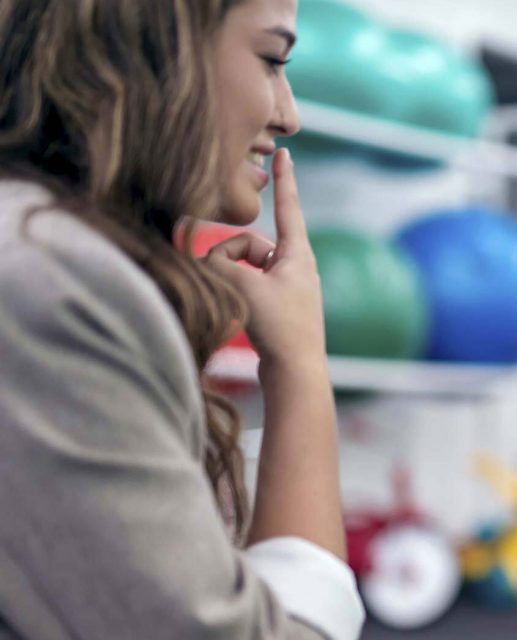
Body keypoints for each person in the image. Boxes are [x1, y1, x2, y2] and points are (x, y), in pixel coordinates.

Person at [0, 1, 364, 638]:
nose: (289, 114)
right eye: (272, 60)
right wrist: (301, 366)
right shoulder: (51, 279)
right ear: (150, 45)